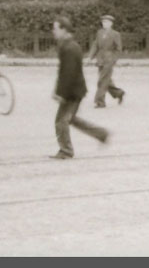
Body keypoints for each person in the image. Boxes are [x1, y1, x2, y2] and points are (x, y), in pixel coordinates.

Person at [50, 16, 109, 159]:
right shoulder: (69, 45)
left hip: (72, 92)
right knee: (70, 119)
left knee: (61, 121)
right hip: (75, 90)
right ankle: (101, 134)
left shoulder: (69, 48)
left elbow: (68, 73)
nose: (53, 32)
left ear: (64, 30)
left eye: (56, 28)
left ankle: (66, 150)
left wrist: (61, 93)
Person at [87, 14, 125, 108]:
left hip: (109, 60)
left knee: (101, 80)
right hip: (100, 59)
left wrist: (114, 59)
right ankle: (118, 93)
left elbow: (118, 49)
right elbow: (95, 45)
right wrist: (90, 57)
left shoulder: (115, 34)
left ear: (111, 23)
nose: (104, 24)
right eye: (103, 22)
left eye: (107, 22)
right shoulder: (99, 32)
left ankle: (100, 102)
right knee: (106, 80)